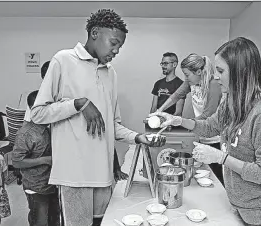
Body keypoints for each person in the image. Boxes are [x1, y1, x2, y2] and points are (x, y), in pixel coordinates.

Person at [30, 9, 165, 226]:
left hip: (102, 174)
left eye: (120, 46)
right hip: (74, 175)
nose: (116, 50)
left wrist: (139, 138)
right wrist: (78, 104)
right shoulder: (63, 60)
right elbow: (38, 114)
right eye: (113, 43)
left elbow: (112, 125)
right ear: (95, 33)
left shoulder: (110, 73)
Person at [150, 37, 261, 226]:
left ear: (241, 72)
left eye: (221, 71)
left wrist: (220, 157)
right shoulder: (231, 102)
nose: (215, 76)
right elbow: (209, 127)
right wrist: (178, 120)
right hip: (240, 207)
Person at [155, 53, 224, 185]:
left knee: (216, 177)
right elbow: (176, 96)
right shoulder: (191, 81)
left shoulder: (213, 84)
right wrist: (159, 110)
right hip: (200, 134)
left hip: (216, 138)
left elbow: (207, 116)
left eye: (187, 75)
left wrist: (181, 123)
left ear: (198, 72)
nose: (185, 78)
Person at [12, 90, 61, 226]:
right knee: (40, 221)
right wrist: (45, 160)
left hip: (51, 184)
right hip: (36, 187)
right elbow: (16, 162)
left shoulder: (48, 128)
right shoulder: (26, 134)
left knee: (54, 218)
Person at [150, 52, 185, 116]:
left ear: (174, 64)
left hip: (171, 123)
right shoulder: (158, 83)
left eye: (166, 63)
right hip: (157, 122)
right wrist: (150, 120)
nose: (163, 66)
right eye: (162, 63)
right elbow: (153, 108)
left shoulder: (181, 85)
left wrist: (168, 123)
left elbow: (178, 112)